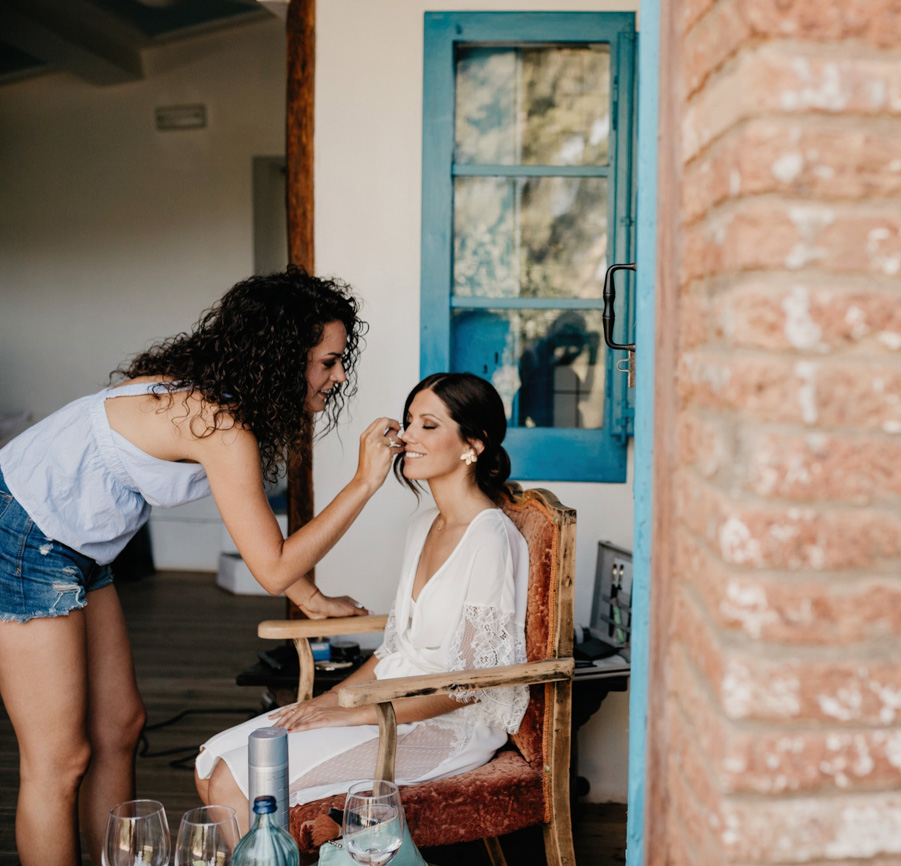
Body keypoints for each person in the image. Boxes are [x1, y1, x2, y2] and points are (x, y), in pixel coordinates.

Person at [0, 269, 403, 865]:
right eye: (328, 361)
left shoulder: (217, 400)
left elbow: (255, 533)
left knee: (121, 728)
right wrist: (366, 481)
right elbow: (270, 567)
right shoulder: (218, 423)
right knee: (59, 761)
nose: (338, 375)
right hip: (26, 534)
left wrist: (314, 601)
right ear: (284, 357)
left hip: (79, 546)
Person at [195, 372, 529, 833]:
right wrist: (326, 701)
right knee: (208, 765)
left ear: (474, 442)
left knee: (236, 782)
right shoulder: (425, 525)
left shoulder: (489, 537)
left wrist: (351, 713)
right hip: (384, 702)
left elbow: (467, 685)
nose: (407, 435)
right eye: (409, 420)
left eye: (428, 425)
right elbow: (395, 651)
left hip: (444, 727)